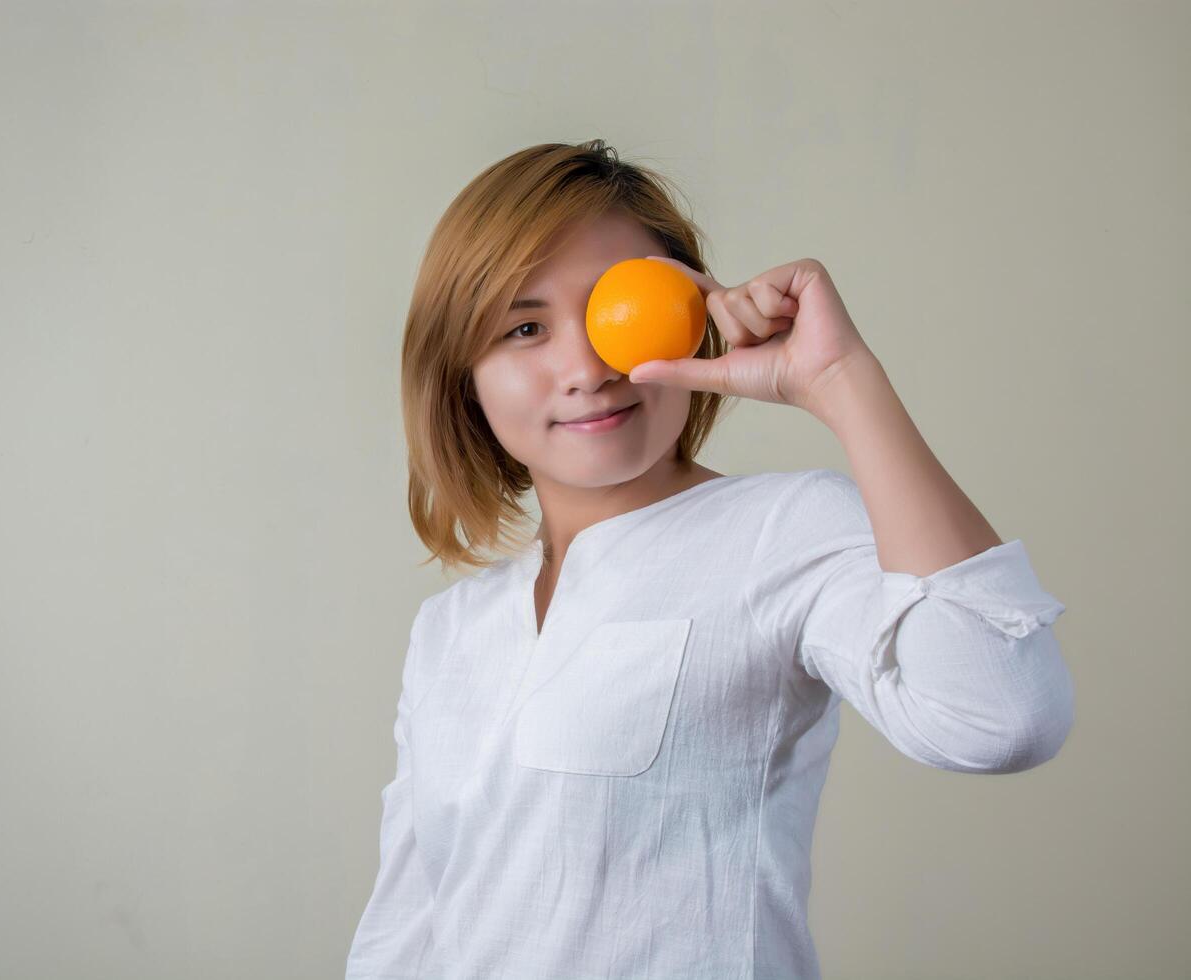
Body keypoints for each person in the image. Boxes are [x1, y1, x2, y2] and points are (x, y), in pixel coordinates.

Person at [345, 139, 1074, 979]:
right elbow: (404, 931)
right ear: (461, 373)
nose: (587, 368)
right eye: (525, 327)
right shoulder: (449, 630)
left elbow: (1004, 717)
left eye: (619, 307)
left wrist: (841, 379)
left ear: (697, 316)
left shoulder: (782, 527)